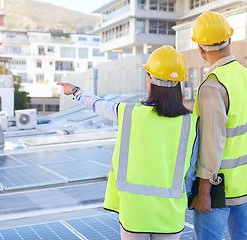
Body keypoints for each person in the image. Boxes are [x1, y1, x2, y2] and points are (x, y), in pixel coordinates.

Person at [58, 45, 199, 240]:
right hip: (170, 212)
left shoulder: (129, 113)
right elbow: (192, 171)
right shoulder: (190, 123)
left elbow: (100, 106)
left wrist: (76, 91)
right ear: (178, 85)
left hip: (134, 211)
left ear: (149, 79)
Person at [189, 11, 247, 240]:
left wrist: (203, 191)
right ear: (229, 40)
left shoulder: (213, 85)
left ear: (201, 49)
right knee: (243, 235)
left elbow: (211, 143)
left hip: (218, 187)